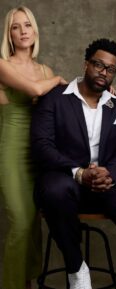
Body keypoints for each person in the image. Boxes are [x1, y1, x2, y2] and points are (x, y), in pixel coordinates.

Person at [31, 39, 116, 289]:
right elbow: (42, 145)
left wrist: (111, 173)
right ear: (86, 64)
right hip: (64, 179)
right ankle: (76, 268)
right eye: (98, 65)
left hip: (106, 182)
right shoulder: (54, 98)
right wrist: (78, 172)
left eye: (110, 69)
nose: (103, 72)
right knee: (55, 190)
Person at [0, 6, 66, 289]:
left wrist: (103, 91)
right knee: (21, 223)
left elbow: (60, 111)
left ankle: (29, 281)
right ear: (9, 34)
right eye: (16, 27)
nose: (23, 31)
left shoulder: (44, 69)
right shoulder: (3, 65)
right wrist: (62, 81)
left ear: (35, 29)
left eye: (27, 25)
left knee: (35, 227)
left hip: (38, 154)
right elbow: (37, 91)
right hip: (12, 151)